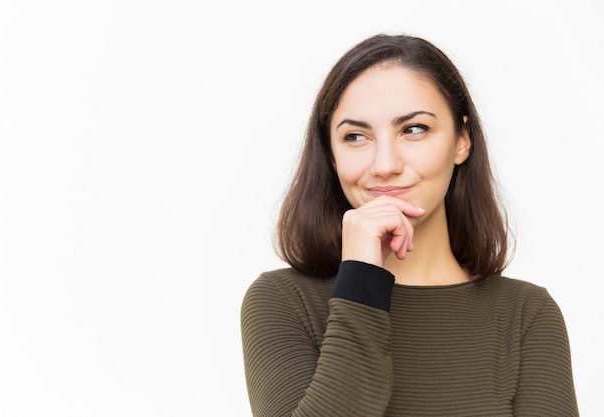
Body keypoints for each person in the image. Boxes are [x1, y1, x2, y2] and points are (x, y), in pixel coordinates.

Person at [240, 34, 579, 416]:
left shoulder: (525, 314)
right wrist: (361, 281)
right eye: (355, 136)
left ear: (462, 140)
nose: (385, 164)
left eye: (414, 129)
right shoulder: (284, 301)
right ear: (332, 156)